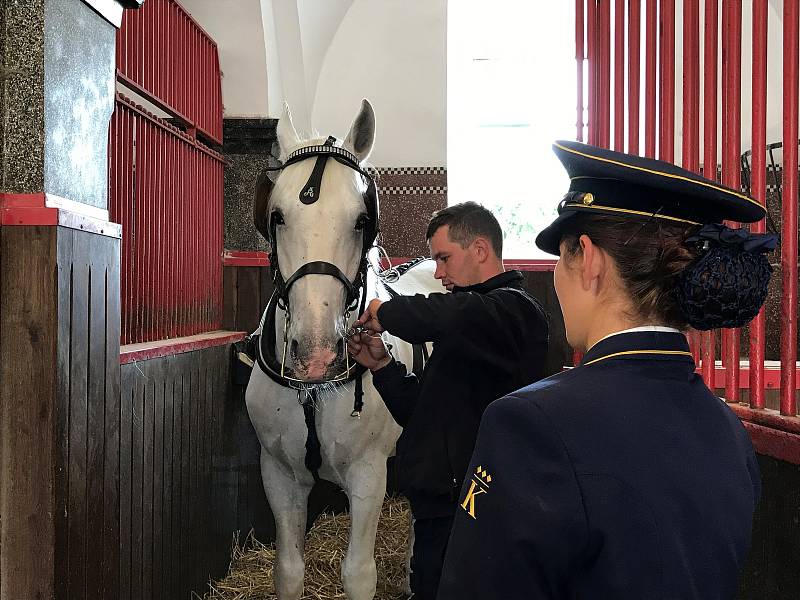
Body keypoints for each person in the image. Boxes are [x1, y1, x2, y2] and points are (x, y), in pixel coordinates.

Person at [437, 140, 774, 599]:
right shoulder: (728, 429)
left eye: (561, 256)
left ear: (590, 260)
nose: (557, 275)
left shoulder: (528, 426)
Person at [347, 201, 550, 600]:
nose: (437, 273)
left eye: (443, 258)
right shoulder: (470, 322)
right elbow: (420, 411)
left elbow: (450, 315)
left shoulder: (514, 311)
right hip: (440, 505)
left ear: (479, 250)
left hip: (480, 505)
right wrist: (383, 366)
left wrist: (385, 310)